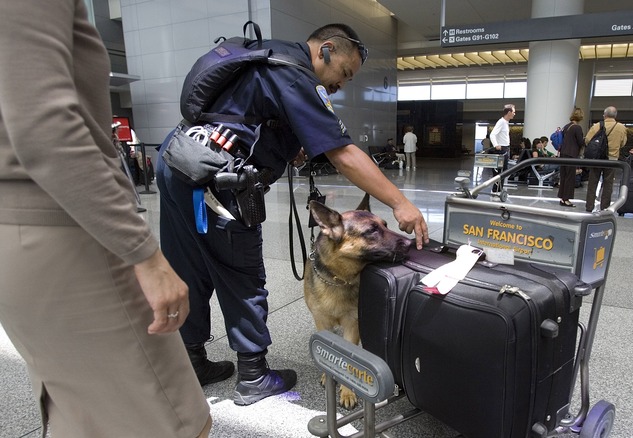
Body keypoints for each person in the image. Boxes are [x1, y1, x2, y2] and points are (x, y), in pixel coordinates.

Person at [156, 23, 429, 406]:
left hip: (179, 159)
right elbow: (344, 153)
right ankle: (253, 375)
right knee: (242, 272)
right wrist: (400, 202)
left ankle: (192, 360)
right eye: (344, 74)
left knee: (190, 267)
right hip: (221, 178)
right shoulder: (296, 74)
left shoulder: (265, 57)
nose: (341, 85)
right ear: (326, 50)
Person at [0, 1, 212, 437]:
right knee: (174, 421)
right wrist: (146, 255)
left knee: (85, 418)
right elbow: (47, 128)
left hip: (26, 233)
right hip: (68, 232)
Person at [584, 106, 628, 212]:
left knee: (593, 182)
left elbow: (588, 141)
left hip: (597, 158)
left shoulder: (597, 126)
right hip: (612, 160)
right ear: (615, 115)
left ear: (605, 115)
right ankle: (605, 207)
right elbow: (623, 143)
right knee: (608, 184)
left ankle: (589, 206)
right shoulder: (621, 127)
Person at [557, 108, 586, 207]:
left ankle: (562, 198)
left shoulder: (566, 126)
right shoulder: (577, 128)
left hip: (563, 154)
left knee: (564, 176)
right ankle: (567, 199)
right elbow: (580, 142)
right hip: (571, 154)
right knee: (570, 177)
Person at [488, 104, 516, 192]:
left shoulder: (506, 123)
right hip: (501, 149)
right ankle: (496, 190)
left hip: (505, 148)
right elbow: (492, 134)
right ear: (509, 112)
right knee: (499, 171)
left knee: (503, 171)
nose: (514, 114)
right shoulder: (501, 122)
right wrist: (496, 144)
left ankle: (498, 189)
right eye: (513, 112)